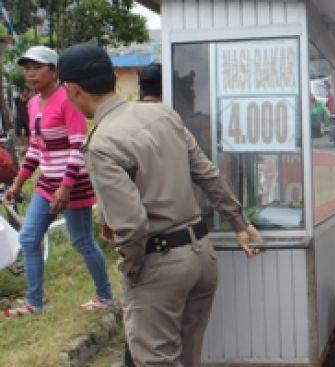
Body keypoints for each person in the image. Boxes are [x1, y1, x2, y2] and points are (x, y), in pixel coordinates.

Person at [57, 44, 263, 367]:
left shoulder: (103, 143)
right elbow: (207, 173)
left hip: (159, 264)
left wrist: (131, 271)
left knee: (156, 360)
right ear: (113, 77)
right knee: (189, 357)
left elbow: (132, 225)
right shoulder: (164, 114)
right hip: (202, 257)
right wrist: (238, 222)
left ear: (72, 89)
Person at [2, 46, 114, 317]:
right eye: (27, 68)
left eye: (37, 67)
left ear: (54, 71)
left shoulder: (68, 99)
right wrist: (18, 183)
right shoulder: (31, 103)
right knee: (28, 239)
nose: (30, 73)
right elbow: (36, 148)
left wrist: (66, 186)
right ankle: (34, 303)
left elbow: (79, 146)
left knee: (82, 241)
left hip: (73, 183)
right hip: (47, 184)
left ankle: (105, 296)